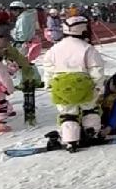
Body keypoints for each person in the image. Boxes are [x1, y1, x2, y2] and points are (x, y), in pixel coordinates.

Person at [43, 14, 106, 152]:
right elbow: (96, 69)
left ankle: (70, 140)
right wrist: (98, 88)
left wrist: (49, 86)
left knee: (67, 113)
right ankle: (91, 133)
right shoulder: (87, 48)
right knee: (90, 109)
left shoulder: (54, 49)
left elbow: (48, 69)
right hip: (83, 86)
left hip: (60, 86)